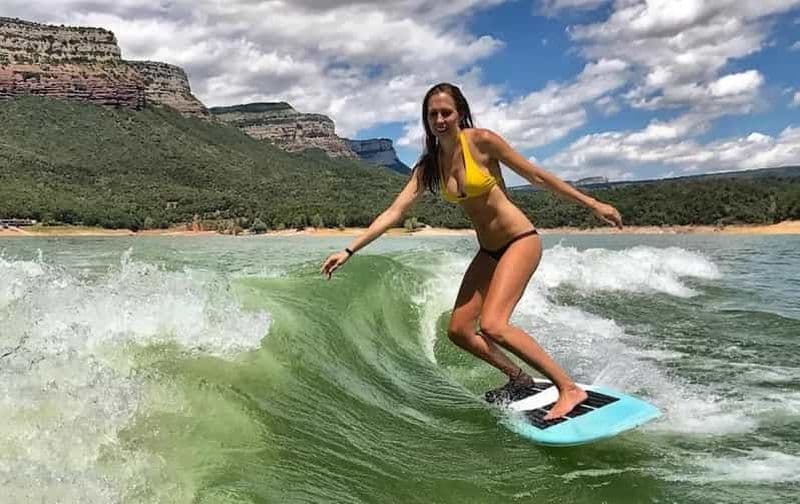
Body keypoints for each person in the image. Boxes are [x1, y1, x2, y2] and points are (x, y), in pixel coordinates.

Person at [321, 82, 623, 420]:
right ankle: (519, 379)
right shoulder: (430, 165)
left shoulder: (482, 142)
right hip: (489, 251)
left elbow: (536, 176)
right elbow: (395, 212)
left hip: (520, 240)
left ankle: (568, 388)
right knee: (459, 330)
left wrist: (594, 203)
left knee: (494, 325)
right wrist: (349, 250)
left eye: (446, 112)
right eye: (432, 114)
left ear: (460, 113)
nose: (439, 119)